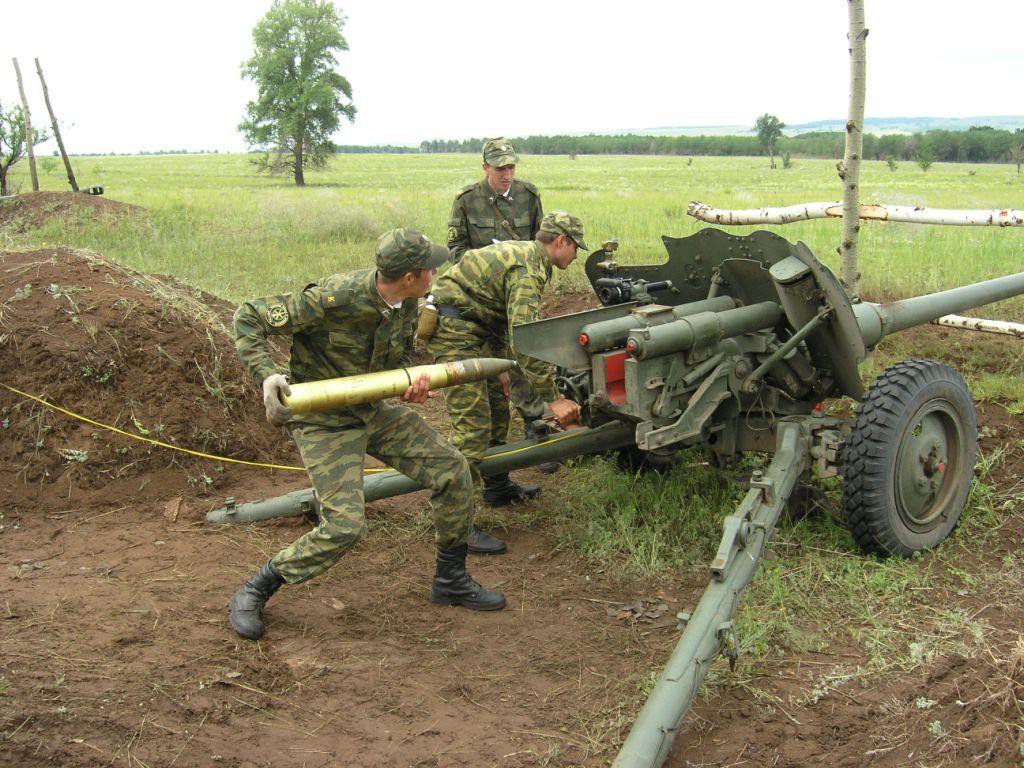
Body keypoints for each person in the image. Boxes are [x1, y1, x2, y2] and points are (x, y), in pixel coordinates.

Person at [228, 228, 507, 641]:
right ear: (410, 276)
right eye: (429, 267)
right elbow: (248, 316)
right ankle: (257, 588)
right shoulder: (333, 299)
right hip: (323, 418)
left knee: (453, 469)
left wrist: (409, 385)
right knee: (345, 526)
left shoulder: (407, 303)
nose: (436, 271)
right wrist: (267, 375)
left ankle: (450, 580)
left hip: (372, 408)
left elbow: (396, 359)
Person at [426, 211, 586, 555]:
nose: (575, 256)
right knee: (472, 430)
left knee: (498, 409)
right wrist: (552, 399)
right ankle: (457, 527)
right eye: (575, 248)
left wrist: (502, 366)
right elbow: (526, 342)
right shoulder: (528, 270)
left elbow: (503, 322)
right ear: (561, 242)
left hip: (478, 329)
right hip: (455, 333)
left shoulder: (528, 255)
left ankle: (496, 487)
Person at [444, 137, 552, 473]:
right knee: (495, 369)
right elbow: (456, 251)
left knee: (524, 355)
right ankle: (493, 453)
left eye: (511, 167)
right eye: (500, 167)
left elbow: (542, 244)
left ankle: (537, 426)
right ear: (485, 167)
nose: (507, 174)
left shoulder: (529, 196)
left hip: (518, 293)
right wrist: (489, 260)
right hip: (483, 300)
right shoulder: (466, 200)